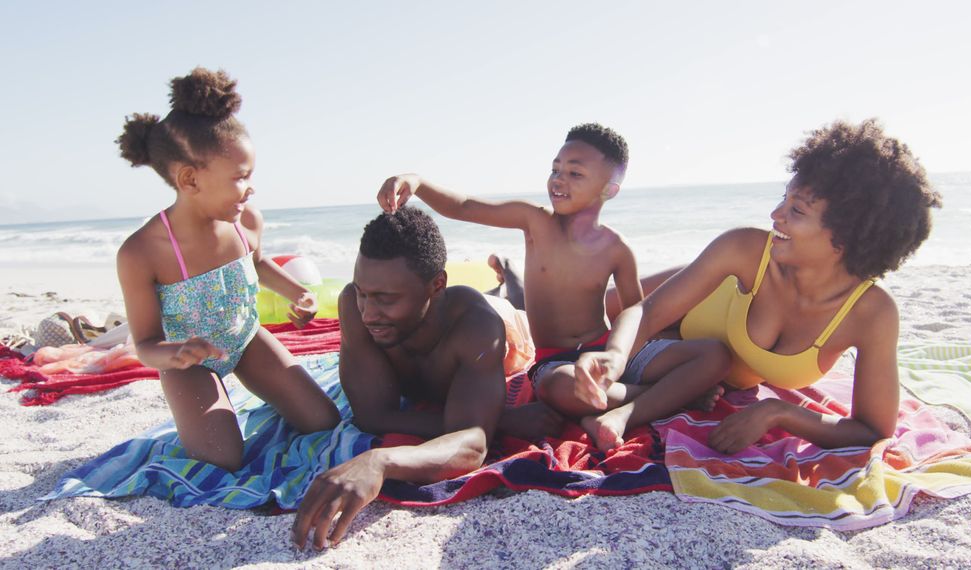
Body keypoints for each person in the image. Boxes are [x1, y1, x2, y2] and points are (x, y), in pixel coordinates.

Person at [575, 119, 943, 453]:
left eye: (796, 211)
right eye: (784, 198)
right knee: (598, 307)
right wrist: (616, 356)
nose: (775, 215)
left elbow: (873, 428)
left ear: (846, 237)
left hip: (698, 362)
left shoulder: (870, 314)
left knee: (700, 365)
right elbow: (645, 310)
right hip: (685, 312)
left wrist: (779, 413)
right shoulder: (747, 248)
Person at [377, 124, 726, 451]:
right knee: (560, 389)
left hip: (609, 357)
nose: (559, 180)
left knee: (714, 354)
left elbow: (638, 319)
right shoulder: (536, 221)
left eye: (575, 173)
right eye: (556, 169)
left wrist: (639, 356)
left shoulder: (618, 250)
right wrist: (417, 182)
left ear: (609, 189)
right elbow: (466, 206)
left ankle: (629, 405)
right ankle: (662, 395)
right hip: (557, 363)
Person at [114, 68, 340, 472]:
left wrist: (297, 294)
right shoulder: (142, 253)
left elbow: (256, 262)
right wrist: (177, 352)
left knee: (323, 421)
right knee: (222, 458)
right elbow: (146, 343)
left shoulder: (246, 221)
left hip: (246, 340)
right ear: (189, 179)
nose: (250, 187)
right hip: (189, 366)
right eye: (241, 177)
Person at [291, 207, 511, 550]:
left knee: (512, 302)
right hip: (448, 372)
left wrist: (381, 460)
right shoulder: (354, 305)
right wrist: (500, 419)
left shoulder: (476, 328)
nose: (368, 313)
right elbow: (372, 415)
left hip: (512, 329)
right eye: (363, 292)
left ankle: (510, 273)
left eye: (386, 299)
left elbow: (472, 444)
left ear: (437, 285)